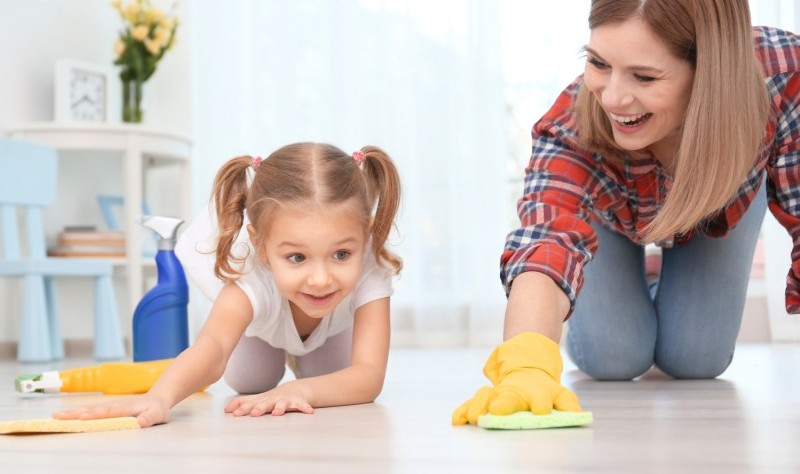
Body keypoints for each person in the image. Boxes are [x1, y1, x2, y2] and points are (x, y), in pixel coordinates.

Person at [453, 0, 800, 426]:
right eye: (598, 63)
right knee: (613, 358)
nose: (612, 98)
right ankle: (643, 276)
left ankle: (656, 279)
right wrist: (526, 365)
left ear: (707, 73)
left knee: (696, 359)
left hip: (720, 202)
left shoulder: (783, 76)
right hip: (609, 214)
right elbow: (547, 239)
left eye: (644, 76)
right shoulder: (572, 126)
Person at [55, 142, 402, 428]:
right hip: (262, 330)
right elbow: (214, 347)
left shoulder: (372, 266)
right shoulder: (251, 277)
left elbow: (368, 375)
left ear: (365, 234)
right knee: (250, 381)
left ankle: (304, 362)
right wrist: (160, 397)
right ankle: (285, 357)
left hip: (330, 333)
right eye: (297, 258)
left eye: (341, 254)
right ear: (261, 245)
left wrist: (301, 391)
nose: (321, 279)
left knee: (331, 378)